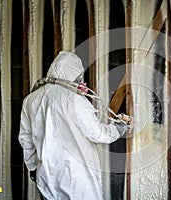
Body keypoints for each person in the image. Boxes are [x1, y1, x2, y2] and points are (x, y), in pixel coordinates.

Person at [19, 51, 130, 199]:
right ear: (73, 73)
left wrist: (33, 168)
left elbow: (26, 139)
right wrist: (119, 128)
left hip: (46, 177)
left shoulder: (31, 100)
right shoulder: (75, 100)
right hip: (77, 179)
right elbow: (97, 133)